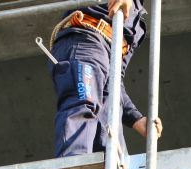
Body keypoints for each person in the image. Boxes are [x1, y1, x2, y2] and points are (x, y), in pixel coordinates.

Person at [49, 0, 163, 157]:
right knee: (84, 104)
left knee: (111, 132)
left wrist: (136, 118)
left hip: (105, 56)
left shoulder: (137, 22)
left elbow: (115, 78)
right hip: (86, 39)